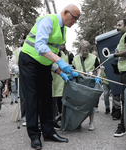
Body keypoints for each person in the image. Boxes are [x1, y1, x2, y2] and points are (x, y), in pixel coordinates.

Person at [18, 4, 80, 150]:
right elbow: (40, 46)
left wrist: (61, 72)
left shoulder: (62, 29)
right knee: (32, 97)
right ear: (66, 12)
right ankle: (34, 136)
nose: (75, 22)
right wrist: (60, 61)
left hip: (43, 64)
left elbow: (48, 55)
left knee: (47, 97)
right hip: (29, 61)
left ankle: (48, 132)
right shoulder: (47, 20)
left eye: (77, 20)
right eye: (74, 18)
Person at [72, 40, 101, 131]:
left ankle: (91, 122)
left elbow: (98, 68)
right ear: (80, 49)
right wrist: (73, 73)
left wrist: (98, 75)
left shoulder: (94, 58)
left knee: (90, 104)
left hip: (90, 82)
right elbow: (72, 68)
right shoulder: (76, 59)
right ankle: (78, 122)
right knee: (79, 103)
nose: (85, 52)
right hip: (79, 83)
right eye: (83, 50)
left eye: (86, 51)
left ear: (89, 50)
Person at [52, 43, 74, 130]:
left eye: (62, 44)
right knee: (53, 102)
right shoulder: (52, 53)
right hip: (54, 79)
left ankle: (62, 118)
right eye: (59, 44)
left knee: (62, 100)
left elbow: (73, 64)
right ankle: (52, 121)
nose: (61, 46)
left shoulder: (68, 54)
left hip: (63, 80)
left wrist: (70, 69)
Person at [13, 36, 27, 126]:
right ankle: (25, 117)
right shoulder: (17, 51)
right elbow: (12, 62)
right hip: (21, 76)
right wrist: (16, 68)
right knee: (23, 97)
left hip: (31, 75)